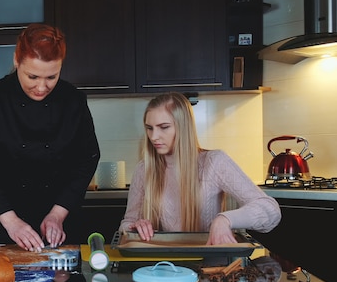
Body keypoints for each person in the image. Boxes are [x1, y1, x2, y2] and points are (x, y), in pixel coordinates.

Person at [0, 23, 100, 251]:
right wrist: (12, 222)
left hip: (60, 229)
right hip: (0, 228)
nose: (41, 87)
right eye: (32, 76)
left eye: (51, 77)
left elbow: (86, 160)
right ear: (17, 60)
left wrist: (58, 214)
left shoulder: (73, 100)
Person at [119, 92, 281, 244]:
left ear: (183, 127)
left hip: (208, 265)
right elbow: (126, 225)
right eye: (149, 128)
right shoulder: (143, 169)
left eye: (164, 127)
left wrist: (224, 219)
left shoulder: (214, 162)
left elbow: (270, 211)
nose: (154, 136)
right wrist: (135, 227)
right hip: (162, 266)